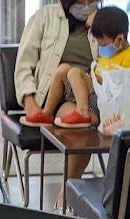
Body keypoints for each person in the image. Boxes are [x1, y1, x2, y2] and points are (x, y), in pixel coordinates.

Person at [23, 5, 130, 129]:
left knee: (74, 72)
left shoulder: (128, 58)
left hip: (103, 101)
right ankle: (47, 114)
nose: (101, 49)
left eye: (103, 45)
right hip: (91, 92)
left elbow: (119, 88)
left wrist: (90, 78)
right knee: (63, 69)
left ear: (120, 40)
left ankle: (83, 112)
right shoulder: (112, 50)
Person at [15, 1, 99, 135]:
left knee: (82, 126)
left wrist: (101, 27)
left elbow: (120, 58)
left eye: (92, 1)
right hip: (56, 97)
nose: (87, 5)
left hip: (90, 93)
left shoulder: (105, 21)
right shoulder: (45, 16)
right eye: (81, 1)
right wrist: (30, 103)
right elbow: (23, 66)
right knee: (79, 130)